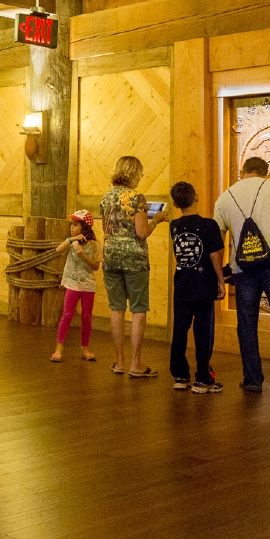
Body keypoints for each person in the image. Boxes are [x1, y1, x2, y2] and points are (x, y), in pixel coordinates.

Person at [213, 156, 270, 394]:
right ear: (265, 173)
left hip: (242, 269)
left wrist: (219, 274)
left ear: (242, 171)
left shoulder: (226, 196)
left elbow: (217, 237)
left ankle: (252, 380)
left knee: (246, 323)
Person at [99, 155, 168, 379]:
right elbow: (142, 232)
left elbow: (105, 229)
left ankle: (119, 361)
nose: (141, 176)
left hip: (110, 257)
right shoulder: (136, 198)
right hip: (134, 259)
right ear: (132, 173)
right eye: (139, 172)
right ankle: (135, 363)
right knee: (138, 310)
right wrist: (156, 219)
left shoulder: (106, 197)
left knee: (116, 309)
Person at [168, 181, 225, 393]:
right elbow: (214, 255)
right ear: (197, 197)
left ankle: (180, 375)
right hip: (203, 285)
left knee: (180, 331)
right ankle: (203, 378)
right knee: (203, 332)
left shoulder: (174, 226)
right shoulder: (210, 226)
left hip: (182, 284)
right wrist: (220, 280)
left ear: (175, 203)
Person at [51, 209, 101, 363]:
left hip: (87, 286)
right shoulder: (71, 242)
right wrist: (71, 239)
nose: (71, 227)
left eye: (75, 225)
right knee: (67, 315)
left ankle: (85, 348)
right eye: (71, 225)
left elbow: (96, 267)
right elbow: (58, 250)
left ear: (85, 227)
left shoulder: (94, 245)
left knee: (86, 317)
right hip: (72, 284)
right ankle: (59, 348)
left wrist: (83, 256)